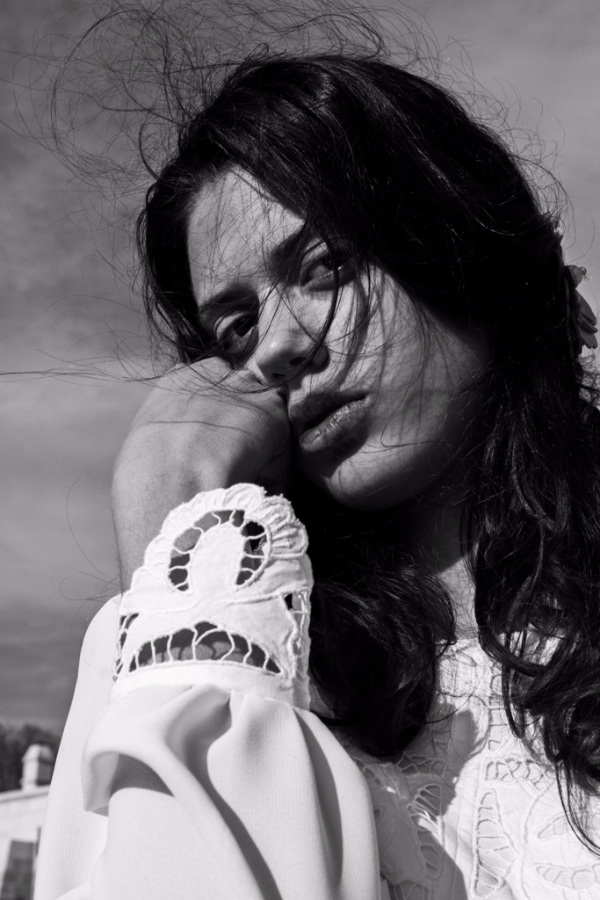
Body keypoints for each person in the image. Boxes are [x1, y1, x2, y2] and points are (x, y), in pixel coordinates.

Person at [34, 22, 600, 900]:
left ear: (458, 241)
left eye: (325, 267)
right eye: (235, 327)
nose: (277, 347)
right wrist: (180, 530)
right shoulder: (206, 642)